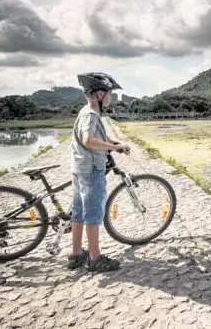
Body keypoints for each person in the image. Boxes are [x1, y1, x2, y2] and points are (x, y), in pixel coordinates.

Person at [68, 72, 130, 271]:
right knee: (93, 216)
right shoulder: (92, 114)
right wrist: (113, 148)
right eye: (110, 93)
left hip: (79, 169)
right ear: (100, 94)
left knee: (78, 214)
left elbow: (98, 136)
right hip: (92, 171)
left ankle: (76, 254)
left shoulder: (85, 111)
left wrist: (114, 142)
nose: (111, 97)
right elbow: (88, 140)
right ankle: (95, 259)